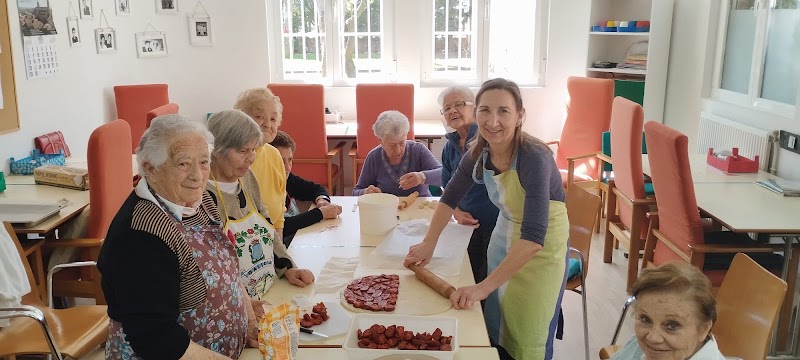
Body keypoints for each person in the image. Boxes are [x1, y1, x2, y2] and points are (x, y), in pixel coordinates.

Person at [405, 78, 568, 360]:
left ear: (520, 116)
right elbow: (449, 196)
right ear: (476, 113)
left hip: (540, 252)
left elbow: (533, 238)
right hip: (504, 236)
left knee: (528, 331)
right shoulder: (479, 151)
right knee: (495, 323)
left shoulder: (534, 157)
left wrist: (482, 287)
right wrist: (429, 243)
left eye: (504, 111)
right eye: (485, 110)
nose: (493, 121)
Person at [98, 115, 263, 359]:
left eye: (204, 162)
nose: (197, 175)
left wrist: (248, 321)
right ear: (150, 169)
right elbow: (155, 337)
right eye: (183, 164)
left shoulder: (202, 200)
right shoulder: (141, 237)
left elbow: (228, 271)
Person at [205, 110, 314, 299]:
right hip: (233, 299)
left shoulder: (246, 177)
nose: (251, 158)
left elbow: (266, 223)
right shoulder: (203, 194)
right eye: (242, 151)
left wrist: (287, 266)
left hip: (266, 287)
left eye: (253, 149)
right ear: (216, 150)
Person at [439, 86, 499, 284]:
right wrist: (456, 212)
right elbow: (447, 187)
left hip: (496, 226)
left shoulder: (488, 139)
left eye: (459, 104)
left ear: (475, 108)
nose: (452, 111)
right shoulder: (449, 146)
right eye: (447, 108)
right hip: (466, 226)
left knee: (487, 279)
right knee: (466, 276)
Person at [611, 262, 726, 360]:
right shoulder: (639, 345)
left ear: (703, 329)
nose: (653, 338)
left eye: (672, 325)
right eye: (645, 319)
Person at [269, 130, 342, 246]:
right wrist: (320, 213)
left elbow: (315, 188)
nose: (287, 168)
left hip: (298, 237)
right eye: (280, 161)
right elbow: (283, 226)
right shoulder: (262, 187)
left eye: (290, 160)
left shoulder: (287, 178)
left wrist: (321, 200)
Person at [234, 88, 288, 243]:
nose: (267, 124)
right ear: (242, 118)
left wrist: (280, 253)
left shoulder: (274, 154)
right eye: (259, 117)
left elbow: (280, 207)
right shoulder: (233, 157)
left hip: (271, 240)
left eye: (273, 119)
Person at [352, 110, 442, 197]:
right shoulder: (374, 157)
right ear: (381, 141)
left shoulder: (418, 150)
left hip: (420, 206)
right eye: (392, 145)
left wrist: (422, 177)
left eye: (402, 143)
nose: (398, 150)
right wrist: (365, 192)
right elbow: (356, 191)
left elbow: (445, 175)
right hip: (387, 209)